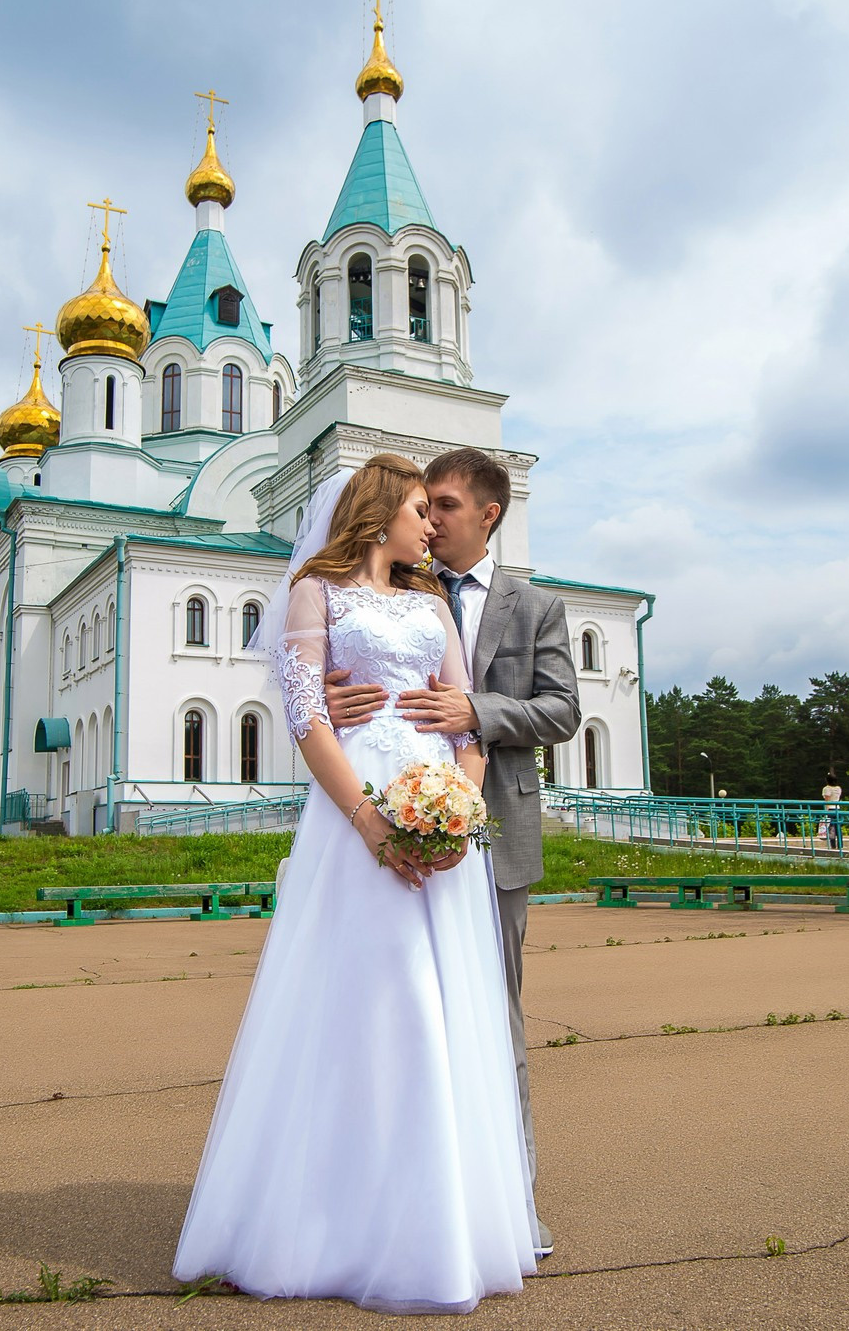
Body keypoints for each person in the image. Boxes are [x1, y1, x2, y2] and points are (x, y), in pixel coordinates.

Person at [173, 455, 536, 1314]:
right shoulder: (315, 591)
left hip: (439, 823)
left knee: (442, 1009)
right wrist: (374, 826)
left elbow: (464, 719)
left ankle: (439, 1223)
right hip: (356, 821)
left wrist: (458, 814)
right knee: (366, 1004)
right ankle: (330, 1221)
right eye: (420, 510)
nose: (431, 526)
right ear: (381, 517)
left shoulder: (432, 602)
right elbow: (306, 720)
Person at [324, 446, 580, 1261]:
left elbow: (562, 710)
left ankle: (512, 1207)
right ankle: (392, 1202)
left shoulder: (532, 604)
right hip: (390, 828)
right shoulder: (400, 589)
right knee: (395, 1018)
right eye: (421, 506)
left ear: (488, 514)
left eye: (443, 505)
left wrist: (478, 707)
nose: (428, 518)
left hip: (490, 841)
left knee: (489, 1024)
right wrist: (333, 690)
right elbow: (337, 668)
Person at [820, 771, 843, 851]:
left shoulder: (826, 789)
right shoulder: (838, 788)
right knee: (838, 827)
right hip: (838, 808)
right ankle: (840, 845)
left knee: (831, 828)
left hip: (830, 809)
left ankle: (833, 845)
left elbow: (827, 801)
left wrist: (825, 812)